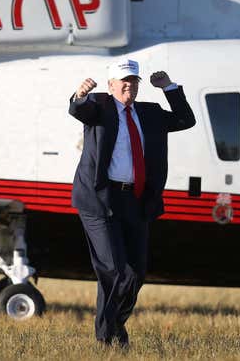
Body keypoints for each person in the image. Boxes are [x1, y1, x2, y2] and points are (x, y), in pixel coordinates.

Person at [69, 58, 195, 346]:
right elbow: (79, 109)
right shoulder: (99, 107)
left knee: (135, 273)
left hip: (135, 199)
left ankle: (115, 325)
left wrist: (169, 88)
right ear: (111, 85)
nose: (129, 85)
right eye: (124, 81)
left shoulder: (149, 113)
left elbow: (185, 120)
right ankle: (106, 337)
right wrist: (79, 96)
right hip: (100, 198)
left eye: (134, 81)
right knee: (115, 270)